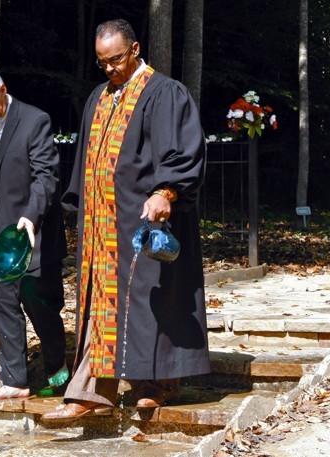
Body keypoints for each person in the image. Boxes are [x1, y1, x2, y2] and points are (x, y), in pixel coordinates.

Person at [41, 19, 209, 422]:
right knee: (99, 306)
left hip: (144, 221)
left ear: (135, 50)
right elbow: (88, 160)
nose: (110, 68)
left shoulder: (166, 93)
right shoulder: (99, 96)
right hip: (101, 227)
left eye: (116, 59)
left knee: (150, 302)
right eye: (103, 62)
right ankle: (91, 390)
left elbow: (183, 152)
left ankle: (155, 385)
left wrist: (165, 192)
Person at [0, 67, 69, 401]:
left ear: (3, 90)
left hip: (30, 230)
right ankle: (14, 381)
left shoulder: (35, 121)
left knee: (40, 305)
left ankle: (60, 375)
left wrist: (31, 218)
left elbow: (46, 177)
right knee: (1, 302)